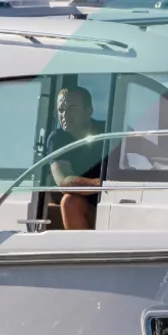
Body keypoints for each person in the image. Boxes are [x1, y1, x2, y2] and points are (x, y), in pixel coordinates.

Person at [46, 86, 107, 230]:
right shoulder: (57, 139)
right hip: (89, 208)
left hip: (117, 202)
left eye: (72, 108)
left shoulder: (109, 129)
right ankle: (83, 245)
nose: (65, 115)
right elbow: (64, 182)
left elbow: (144, 147)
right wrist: (104, 185)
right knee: (70, 201)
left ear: (89, 112)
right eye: (61, 110)